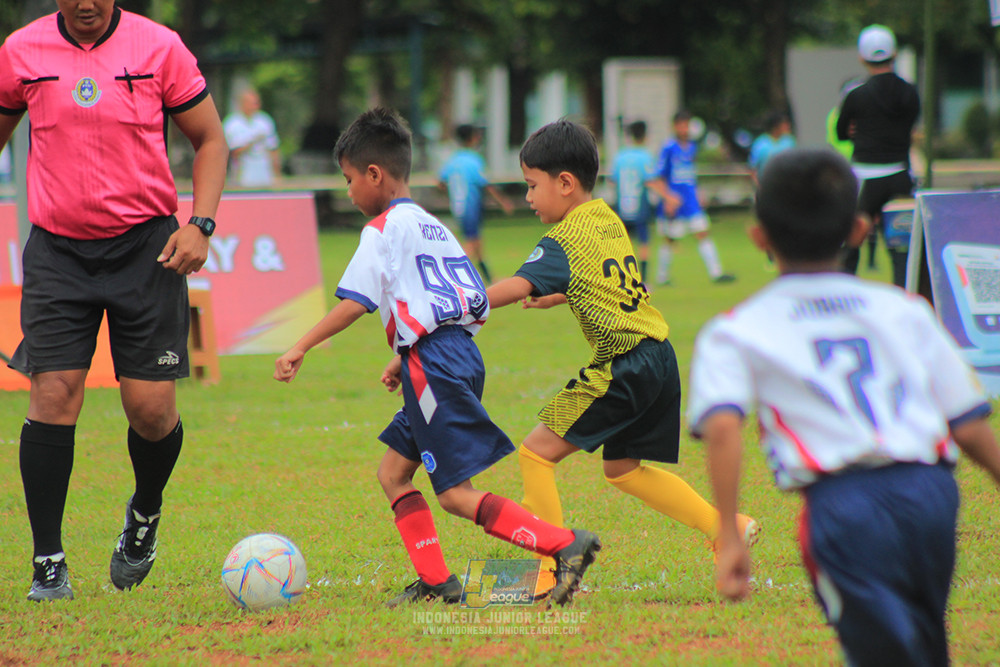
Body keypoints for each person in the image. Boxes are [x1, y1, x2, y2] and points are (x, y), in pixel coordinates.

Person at [274, 108, 600, 608]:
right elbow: (461, 301)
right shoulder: (436, 227)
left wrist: (301, 344)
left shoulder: (381, 230)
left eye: (349, 179)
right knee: (393, 474)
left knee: (452, 493)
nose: (348, 192)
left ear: (375, 175)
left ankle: (563, 545)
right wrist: (406, 353)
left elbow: (355, 302)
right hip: (456, 354)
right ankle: (436, 581)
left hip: (435, 364)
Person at [688, 147, 1000, 667]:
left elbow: (722, 427)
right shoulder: (905, 309)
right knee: (926, 643)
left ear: (758, 237)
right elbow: (968, 423)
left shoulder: (736, 328)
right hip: (933, 496)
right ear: (859, 230)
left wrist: (727, 534)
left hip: (844, 507)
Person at [0, 0, 228, 601]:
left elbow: (209, 139)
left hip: (148, 251)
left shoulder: (160, 46)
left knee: (150, 412)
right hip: (57, 254)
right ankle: (48, 562)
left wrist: (200, 224)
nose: (84, 5)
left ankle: (144, 515)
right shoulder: (20, 52)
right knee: (52, 395)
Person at [486, 119, 758, 598]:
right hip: (660, 354)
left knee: (534, 453)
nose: (528, 198)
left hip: (624, 362)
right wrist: (561, 295)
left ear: (564, 183)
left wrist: (459, 305)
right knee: (623, 469)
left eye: (532, 186)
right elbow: (606, 280)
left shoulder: (562, 239)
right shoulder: (605, 217)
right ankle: (722, 526)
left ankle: (552, 571)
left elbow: (514, 285)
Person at [837, 24, 920, 287]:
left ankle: (845, 297)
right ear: (894, 55)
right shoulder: (909, 92)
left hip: (864, 178)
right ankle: (903, 299)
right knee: (901, 250)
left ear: (862, 58)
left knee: (850, 243)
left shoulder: (855, 95)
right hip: (898, 176)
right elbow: (909, 124)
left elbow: (841, 132)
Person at [654, 110, 735, 286]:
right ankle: (662, 277)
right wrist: (668, 197)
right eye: (681, 124)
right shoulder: (668, 148)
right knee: (670, 238)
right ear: (675, 126)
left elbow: (690, 174)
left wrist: (698, 193)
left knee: (703, 233)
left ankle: (717, 273)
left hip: (690, 202)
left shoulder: (691, 147)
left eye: (687, 124)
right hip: (675, 203)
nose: (685, 128)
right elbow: (658, 176)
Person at [436, 124, 514, 284]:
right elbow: (486, 184)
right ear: (472, 138)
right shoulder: (474, 160)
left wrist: (452, 190)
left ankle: (489, 279)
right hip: (470, 206)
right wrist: (503, 202)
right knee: (471, 244)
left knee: (477, 244)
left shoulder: (453, 160)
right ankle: (447, 276)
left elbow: (440, 183)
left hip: (457, 207)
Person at [609, 120, 657, 283]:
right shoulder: (646, 156)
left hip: (622, 206)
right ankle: (642, 279)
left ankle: (622, 280)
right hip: (640, 206)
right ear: (645, 135)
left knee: (622, 245)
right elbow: (650, 180)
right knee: (644, 243)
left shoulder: (620, 156)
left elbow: (612, 181)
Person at [223, 88, 281, 187]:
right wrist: (253, 142)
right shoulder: (231, 123)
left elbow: (273, 149)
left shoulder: (265, 121)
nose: (255, 106)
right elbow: (233, 152)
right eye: (251, 103)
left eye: (256, 103)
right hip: (242, 173)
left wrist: (277, 174)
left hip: (264, 172)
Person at [748, 110, 795, 185]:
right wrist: (760, 187)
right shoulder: (761, 143)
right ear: (776, 126)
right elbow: (753, 169)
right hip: (766, 187)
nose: (788, 126)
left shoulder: (790, 142)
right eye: (784, 124)